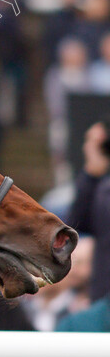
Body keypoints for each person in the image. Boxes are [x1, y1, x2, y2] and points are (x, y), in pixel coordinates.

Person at [68, 121, 110, 302]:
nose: (87, 147)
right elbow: (78, 223)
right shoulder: (100, 188)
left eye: (94, 142)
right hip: (103, 298)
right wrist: (92, 174)